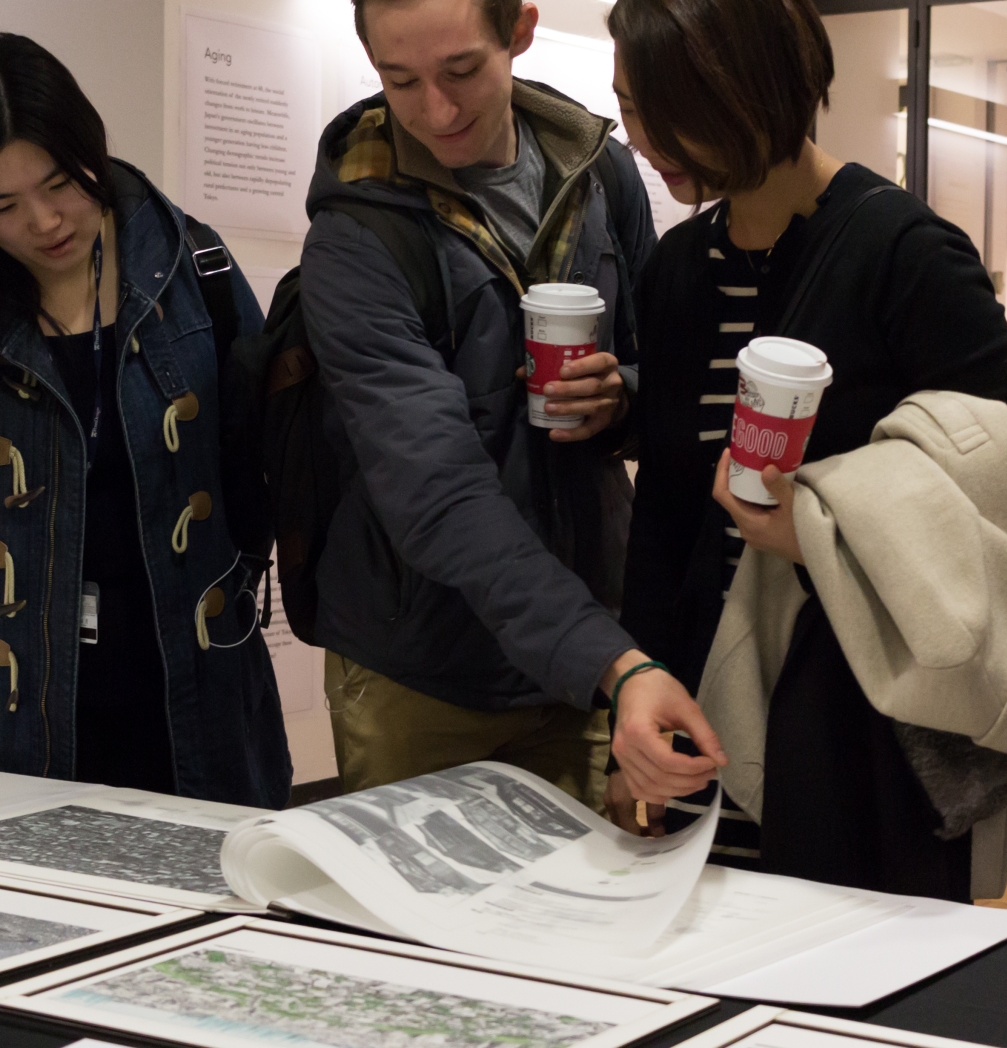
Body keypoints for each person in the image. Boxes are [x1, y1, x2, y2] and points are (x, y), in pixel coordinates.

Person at [609, 0, 1007, 900]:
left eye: (662, 106)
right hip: (705, 716)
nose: (641, 135)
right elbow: (664, 520)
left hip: (868, 734)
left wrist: (828, 531)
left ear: (745, 94)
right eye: (627, 104)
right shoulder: (677, 269)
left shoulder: (903, 253)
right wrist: (631, 700)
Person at [0, 34, 290, 807]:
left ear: (90, 147)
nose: (44, 221)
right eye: (0, 206)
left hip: (191, 711)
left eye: (62, 183)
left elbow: (259, 461)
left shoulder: (190, 270)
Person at [302, 0, 725, 813]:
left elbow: (661, 371)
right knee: (423, 935)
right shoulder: (357, 238)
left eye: (462, 71)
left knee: (581, 924)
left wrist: (622, 398)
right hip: (420, 675)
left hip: (580, 661)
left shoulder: (599, 174)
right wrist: (616, 662)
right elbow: (439, 492)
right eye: (401, 81)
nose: (437, 110)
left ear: (520, 32)